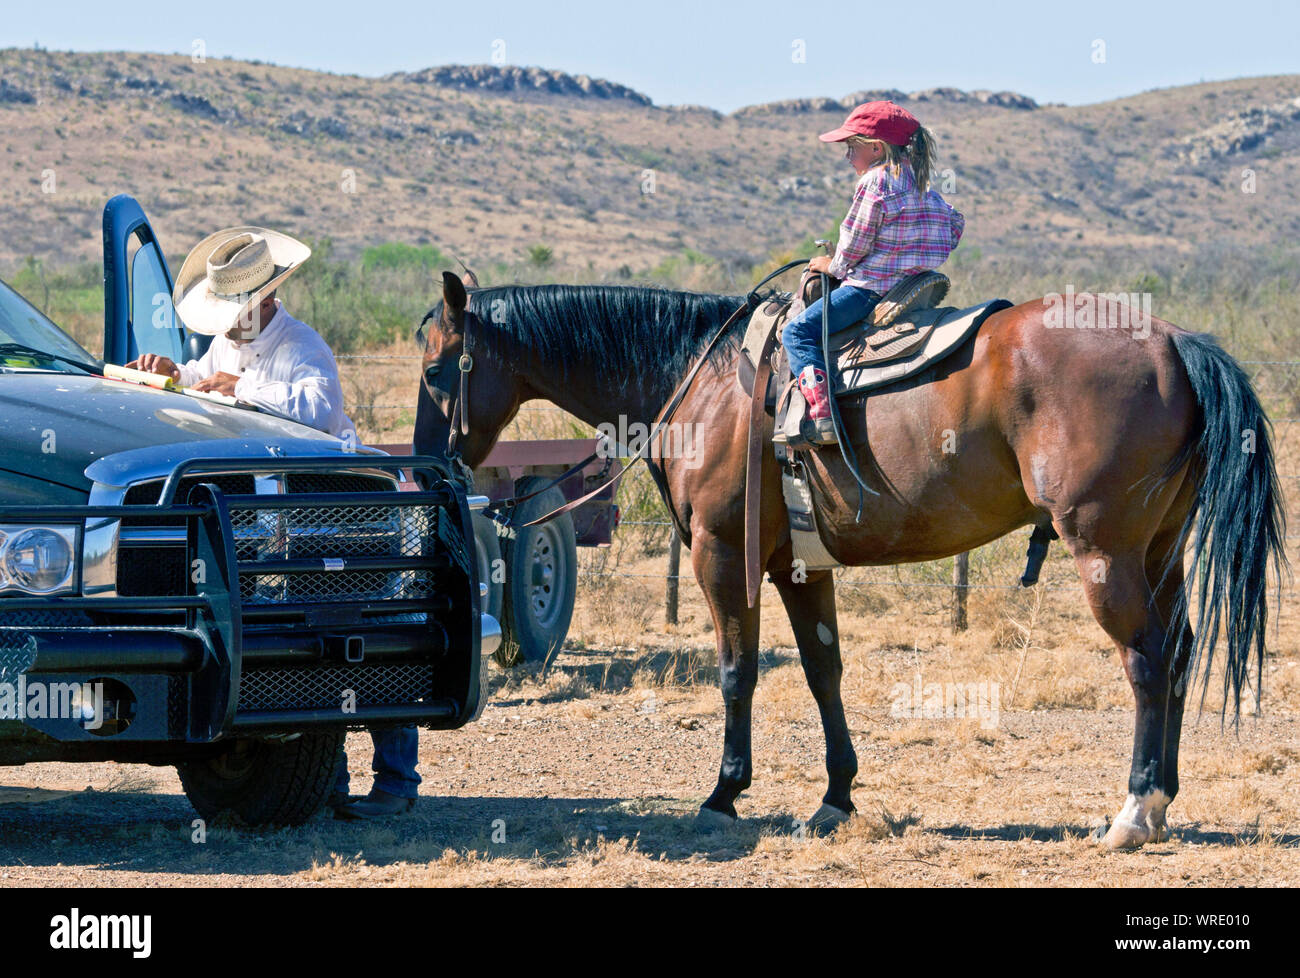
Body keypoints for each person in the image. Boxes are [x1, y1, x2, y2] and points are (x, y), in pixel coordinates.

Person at [127, 225, 421, 820]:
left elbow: (319, 409)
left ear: (263, 300)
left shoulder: (301, 346)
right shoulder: (226, 347)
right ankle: (329, 782)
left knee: (359, 639)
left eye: (236, 309)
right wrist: (172, 374)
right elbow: (203, 378)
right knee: (306, 644)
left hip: (337, 521)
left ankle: (396, 782)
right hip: (276, 526)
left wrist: (245, 387)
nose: (230, 323)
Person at [784, 101, 965, 445]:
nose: (849, 158)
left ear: (876, 148)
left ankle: (821, 416)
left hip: (870, 290)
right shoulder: (923, 183)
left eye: (852, 148)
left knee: (797, 331)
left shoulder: (877, 181)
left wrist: (831, 264)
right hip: (913, 288)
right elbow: (955, 225)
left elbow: (854, 244)